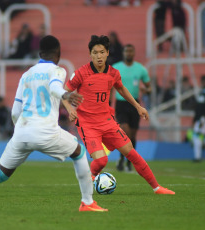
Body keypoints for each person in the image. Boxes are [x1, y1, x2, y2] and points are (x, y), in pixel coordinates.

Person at [0, 35, 107, 212]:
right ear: (58, 54)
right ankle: (87, 202)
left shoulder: (26, 74)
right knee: (79, 152)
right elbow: (54, 88)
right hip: (45, 131)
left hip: (21, 131)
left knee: (0, 174)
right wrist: (65, 95)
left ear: (39, 53)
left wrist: (20, 132)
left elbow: (15, 111)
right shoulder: (58, 71)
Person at [64, 35, 175, 195]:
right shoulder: (81, 73)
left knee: (132, 152)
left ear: (107, 53)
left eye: (102, 52)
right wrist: (69, 109)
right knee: (102, 160)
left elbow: (121, 89)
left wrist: (138, 106)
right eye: (95, 53)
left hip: (107, 121)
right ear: (90, 54)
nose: (99, 56)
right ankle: (90, 179)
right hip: (87, 124)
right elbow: (64, 93)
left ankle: (157, 188)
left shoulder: (113, 73)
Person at [112, 44, 151, 172]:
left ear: (134, 53)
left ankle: (127, 161)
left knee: (133, 135)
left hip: (135, 104)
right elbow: (110, 86)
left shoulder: (140, 69)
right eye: (126, 51)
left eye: (131, 51)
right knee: (125, 132)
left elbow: (149, 87)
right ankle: (122, 159)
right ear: (123, 53)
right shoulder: (116, 68)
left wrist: (145, 90)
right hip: (121, 103)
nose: (128, 53)